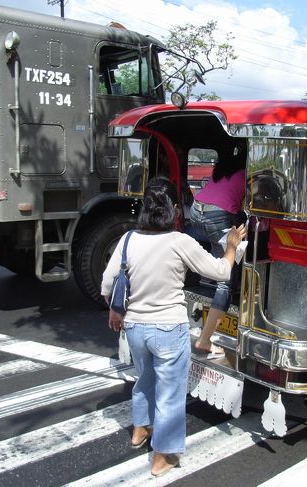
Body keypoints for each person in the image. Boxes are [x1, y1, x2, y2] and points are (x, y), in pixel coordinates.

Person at [101, 176, 247, 477]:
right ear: (175, 209)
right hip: (169, 329)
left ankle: (140, 430)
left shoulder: (128, 240)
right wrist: (231, 247)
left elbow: (107, 285)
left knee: (144, 380)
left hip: (136, 328)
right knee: (170, 393)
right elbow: (220, 272)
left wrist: (117, 311)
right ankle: (163, 456)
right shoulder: (180, 242)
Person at [189, 143, 246, 358]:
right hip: (216, 218)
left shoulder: (225, 167)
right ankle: (204, 341)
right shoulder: (247, 175)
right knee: (226, 283)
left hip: (196, 213)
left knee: (218, 249)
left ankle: (209, 274)